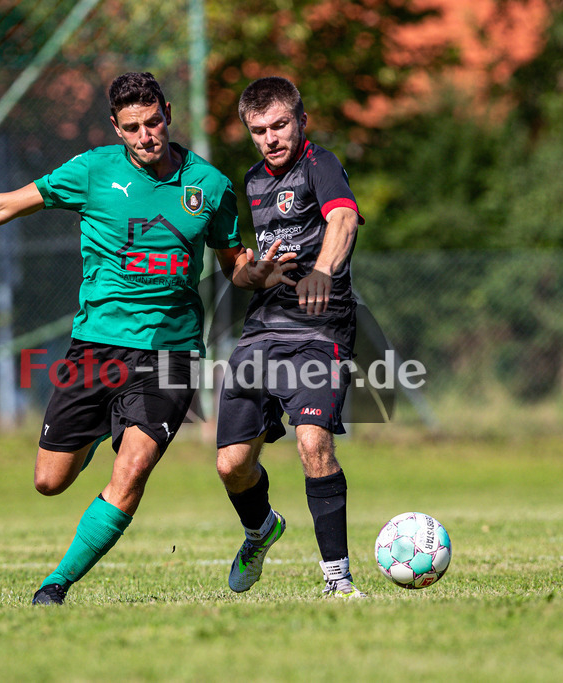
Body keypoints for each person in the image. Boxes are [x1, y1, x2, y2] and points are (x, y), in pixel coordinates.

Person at [0, 72, 293, 606]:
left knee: (132, 470)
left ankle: (54, 587)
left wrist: (261, 274)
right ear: (116, 127)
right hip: (95, 347)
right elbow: (1, 207)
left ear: (168, 114)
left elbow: (235, 267)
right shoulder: (91, 171)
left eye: (153, 122)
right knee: (49, 480)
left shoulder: (211, 186)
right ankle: (91, 436)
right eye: (132, 127)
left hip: (171, 354)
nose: (145, 136)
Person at [216, 76, 366, 599]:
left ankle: (338, 582)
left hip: (321, 328)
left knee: (312, 442)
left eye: (280, 125)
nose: (271, 137)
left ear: (301, 120)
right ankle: (261, 530)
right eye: (259, 130)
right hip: (263, 327)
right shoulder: (253, 181)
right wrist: (256, 273)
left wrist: (324, 269)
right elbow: (243, 268)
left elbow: (343, 219)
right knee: (232, 464)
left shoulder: (319, 165)